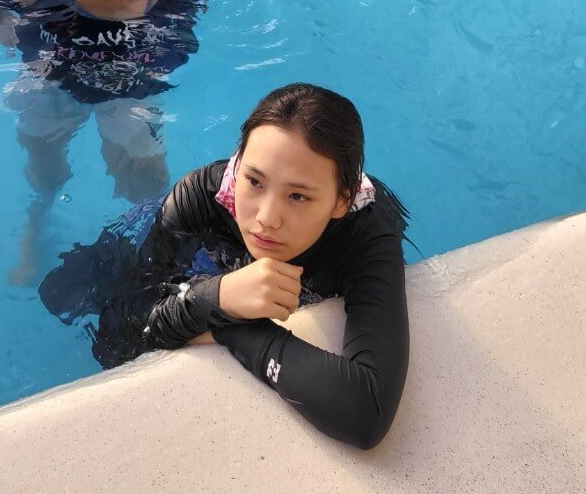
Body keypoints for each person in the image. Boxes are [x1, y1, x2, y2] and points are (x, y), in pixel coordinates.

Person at [40, 82, 409, 448]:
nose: (266, 219)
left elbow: (366, 414)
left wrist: (231, 327)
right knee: (65, 292)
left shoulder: (366, 234)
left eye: (298, 196)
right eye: (254, 181)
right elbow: (114, 340)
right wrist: (217, 296)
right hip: (199, 248)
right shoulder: (201, 198)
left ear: (342, 201)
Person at [0, 0, 220, 281]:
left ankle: (159, 250)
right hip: (53, 85)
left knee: (145, 181)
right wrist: (4, 30)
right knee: (46, 169)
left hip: (131, 94)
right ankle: (37, 223)